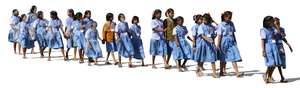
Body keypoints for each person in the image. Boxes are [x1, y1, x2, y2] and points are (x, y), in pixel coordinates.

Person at [216, 11, 243, 77]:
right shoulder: (221, 25)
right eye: (228, 17)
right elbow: (219, 35)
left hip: (231, 41)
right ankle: (221, 72)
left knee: (233, 56)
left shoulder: (231, 23)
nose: (230, 19)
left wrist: (235, 41)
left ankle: (237, 72)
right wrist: (218, 44)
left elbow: (233, 33)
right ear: (224, 17)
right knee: (223, 58)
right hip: (224, 42)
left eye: (230, 17)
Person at [273, 17, 293, 83]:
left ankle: (269, 75)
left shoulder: (282, 29)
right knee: (275, 62)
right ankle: (281, 76)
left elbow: (283, 38)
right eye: (276, 22)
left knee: (280, 62)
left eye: (279, 22)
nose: (278, 23)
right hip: (274, 46)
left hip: (280, 46)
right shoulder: (271, 29)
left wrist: (288, 44)